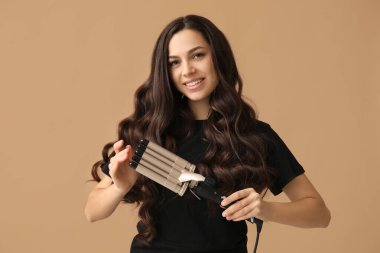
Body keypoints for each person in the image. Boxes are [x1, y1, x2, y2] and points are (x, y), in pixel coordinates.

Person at [84, 15, 331, 253]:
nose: (188, 70)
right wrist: (119, 187)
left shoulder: (255, 136)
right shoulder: (147, 132)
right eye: (174, 62)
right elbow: (92, 212)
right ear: (165, 72)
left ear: (218, 58)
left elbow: (319, 214)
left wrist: (264, 209)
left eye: (198, 55)